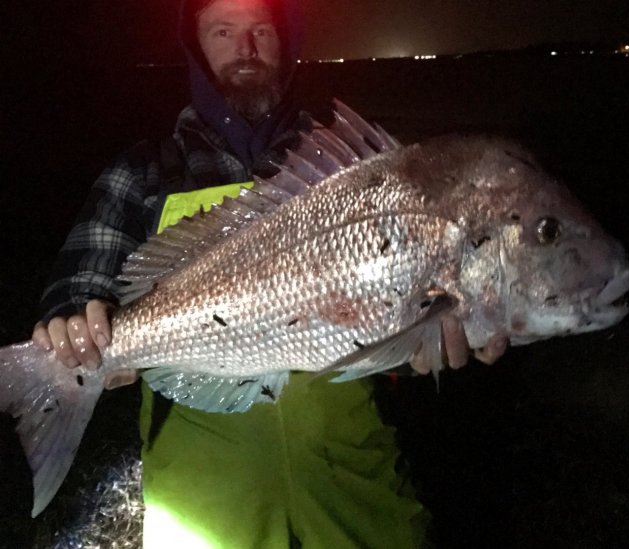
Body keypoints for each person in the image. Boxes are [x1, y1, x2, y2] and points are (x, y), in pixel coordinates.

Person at [32, 0, 508, 546]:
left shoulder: (350, 168)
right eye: (223, 31)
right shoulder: (146, 169)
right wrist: (71, 318)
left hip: (353, 473)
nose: (246, 49)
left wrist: (429, 332)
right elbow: (82, 274)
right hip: (204, 492)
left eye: (262, 29)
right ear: (196, 47)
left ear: (287, 44)